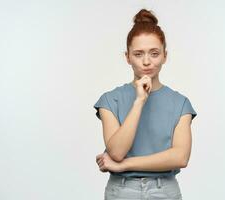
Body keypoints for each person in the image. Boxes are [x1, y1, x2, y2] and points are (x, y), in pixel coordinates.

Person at [93, 8, 197, 200]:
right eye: (139, 54)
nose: (147, 61)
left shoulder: (180, 103)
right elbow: (116, 152)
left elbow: (180, 157)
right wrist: (140, 101)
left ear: (165, 55)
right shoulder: (109, 100)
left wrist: (125, 165)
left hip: (165, 190)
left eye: (154, 53)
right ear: (127, 57)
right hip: (122, 191)